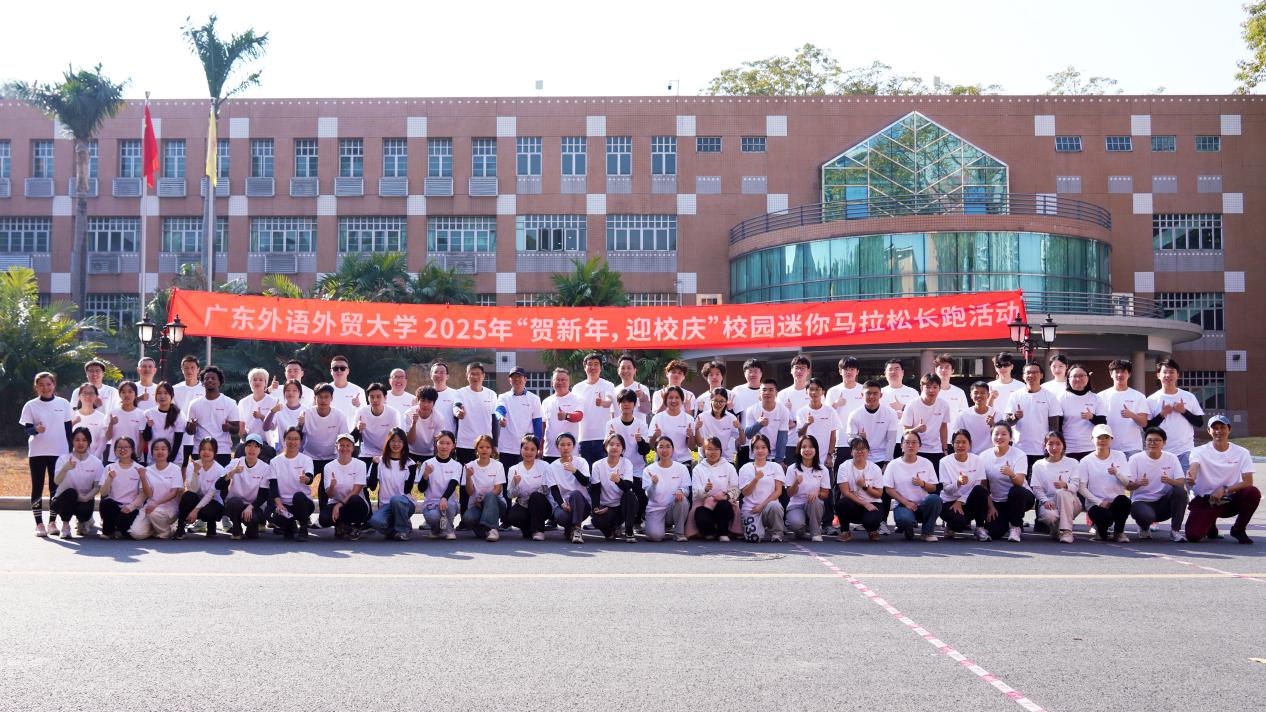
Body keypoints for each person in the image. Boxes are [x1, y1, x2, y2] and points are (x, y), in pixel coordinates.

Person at [1186, 415, 1260, 544]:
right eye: (1214, 428)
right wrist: (1191, 475)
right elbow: (1194, 466)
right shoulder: (1198, 451)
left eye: (1222, 427)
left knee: (1252, 492)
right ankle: (1211, 524)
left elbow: (1248, 481)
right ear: (1209, 431)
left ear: (1229, 429)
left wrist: (1224, 490)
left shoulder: (1242, 452)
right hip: (1207, 500)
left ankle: (1238, 529)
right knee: (1193, 536)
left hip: (1229, 499)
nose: (1218, 431)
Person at [20, 371, 72, 537]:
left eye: (48, 384)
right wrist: (36, 429)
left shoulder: (64, 403)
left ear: (54, 385)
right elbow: (27, 429)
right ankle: (39, 524)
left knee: (55, 487)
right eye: (41, 385)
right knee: (37, 486)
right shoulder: (30, 405)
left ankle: (52, 522)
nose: (45, 388)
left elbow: (68, 429)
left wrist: (71, 451)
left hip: (59, 451)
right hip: (38, 452)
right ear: (36, 387)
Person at [1126, 427, 1189, 542]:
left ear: (1164, 443)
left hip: (1163, 503)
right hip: (1141, 501)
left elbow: (1181, 483)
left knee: (1180, 492)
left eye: (1157, 440)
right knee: (1146, 516)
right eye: (1149, 440)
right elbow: (1128, 486)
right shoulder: (1135, 459)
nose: (1152, 443)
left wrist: (1169, 480)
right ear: (1145, 442)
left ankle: (1175, 531)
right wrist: (1138, 483)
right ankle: (1144, 527)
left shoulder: (1171, 458)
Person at [1145, 358, 1204, 474]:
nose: (1168, 375)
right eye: (1165, 372)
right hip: (1161, 451)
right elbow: (1146, 428)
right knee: (1162, 483)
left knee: (1187, 482)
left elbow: (1199, 422)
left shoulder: (1189, 397)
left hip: (1185, 451)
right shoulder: (1151, 400)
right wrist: (1162, 414)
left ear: (1178, 375)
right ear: (1158, 375)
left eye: (1172, 372)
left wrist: (1184, 411)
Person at [884, 431, 943, 542]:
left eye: (914, 442)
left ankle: (927, 533)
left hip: (922, 505)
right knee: (905, 520)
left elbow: (933, 488)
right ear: (901, 446)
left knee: (935, 499)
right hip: (903, 505)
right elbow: (888, 489)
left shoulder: (927, 463)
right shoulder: (893, 464)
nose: (910, 445)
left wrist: (922, 484)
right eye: (907, 442)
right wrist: (906, 503)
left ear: (919, 446)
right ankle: (908, 526)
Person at [1077, 424, 1131, 542]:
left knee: (1124, 501)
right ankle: (1100, 530)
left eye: (1106, 437)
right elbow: (1081, 487)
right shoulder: (1086, 461)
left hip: (1115, 502)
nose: (1102, 440)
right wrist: (1099, 502)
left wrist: (1117, 473)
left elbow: (1127, 483)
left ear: (1111, 439)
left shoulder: (1120, 456)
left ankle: (1119, 532)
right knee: (1104, 523)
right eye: (1099, 437)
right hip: (1096, 504)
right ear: (1092, 439)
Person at [978, 423, 1031, 542]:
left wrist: (1011, 474)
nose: (999, 437)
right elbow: (983, 487)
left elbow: (1020, 483)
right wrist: (991, 507)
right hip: (998, 501)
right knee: (994, 532)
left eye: (1004, 434)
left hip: (1021, 497)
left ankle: (1015, 526)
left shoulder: (1020, 455)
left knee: (1016, 491)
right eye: (996, 434)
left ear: (1010, 437)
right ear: (991, 436)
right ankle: (1007, 520)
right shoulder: (984, 456)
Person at [300, 383, 348, 514]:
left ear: (331, 398)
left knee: (324, 488)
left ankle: (324, 516)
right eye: (320, 397)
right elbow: (298, 435)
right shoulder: (306, 414)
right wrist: (300, 424)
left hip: (331, 457)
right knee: (302, 483)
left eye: (326, 397)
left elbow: (344, 438)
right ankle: (304, 514)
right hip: (310, 456)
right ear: (315, 398)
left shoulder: (339, 415)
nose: (323, 400)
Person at [1029, 431, 1084, 544]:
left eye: (1058, 444)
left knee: (1061, 492)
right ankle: (1055, 527)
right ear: (1045, 446)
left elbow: (1075, 487)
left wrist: (1066, 485)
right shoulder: (1038, 465)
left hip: (1071, 501)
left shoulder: (1073, 462)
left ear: (1063, 445)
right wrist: (1045, 500)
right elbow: (1036, 488)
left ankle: (1067, 531)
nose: (1054, 447)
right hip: (1049, 502)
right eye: (1050, 444)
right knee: (1050, 516)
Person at [1002, 362, 1058, 472]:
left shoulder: (1050, 396)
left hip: (1042, 450)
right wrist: (1015, 417)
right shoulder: (1015, 395)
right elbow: (1007, 423)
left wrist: (1051, 447)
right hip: (1020, 449)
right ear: (1023, 376)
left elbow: (1054, 426)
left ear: (1041, 375)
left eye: (1035, 372)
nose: (1031, 375)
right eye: (1028, 373)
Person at [365, 428, 418, 541]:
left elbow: (407, 490)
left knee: (396, 499)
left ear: (404, 443)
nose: (396, 444)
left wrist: (412, 471)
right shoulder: (380, 461)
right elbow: (372, 487)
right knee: (375, 521)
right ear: (388, 442)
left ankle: (403, 531)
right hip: (385, 506)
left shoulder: (410, 463)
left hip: (404, 504)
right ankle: (398, 528)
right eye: (393, 440)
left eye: (399, 441)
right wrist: (374, 465)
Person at [938, 429, 991, 541]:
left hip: (967, 501)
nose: (960, 445)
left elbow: (977, 485)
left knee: (981, 490)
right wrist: (958, 483)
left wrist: (960, 501)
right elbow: (947, 490)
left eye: (964, 442)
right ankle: (950, 525)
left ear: (969, 444)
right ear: (952, 444)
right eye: (957, 442)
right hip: (949, 502)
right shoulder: (944, 461)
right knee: (959, 524)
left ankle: (980, 528)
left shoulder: (977, 460)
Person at [50, 427, 103, 538]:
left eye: (84, 440)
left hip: (84, 499)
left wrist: (86, 498)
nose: (80, 443)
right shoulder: (63, 459)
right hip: (63, 499)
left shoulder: (96, 462)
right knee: (71, 493)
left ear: (89, 442)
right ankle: (65, 526)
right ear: (72, 441)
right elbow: (56, 481)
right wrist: (65, 468)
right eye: (77, 440)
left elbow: (97, 486)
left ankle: (83, 521)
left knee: (84, 512)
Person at [219, 434, 272, 540]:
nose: (252, 449)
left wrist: (251, 507)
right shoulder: (235, 462)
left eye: (256, 446)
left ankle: (251, 528)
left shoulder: (265, 468)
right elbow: (218, 484)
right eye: (249, 445)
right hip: (236, 504)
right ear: (244, 448)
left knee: (253, 533)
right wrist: (232, 472)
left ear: (260, 450)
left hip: (254, 506)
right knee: (233, 503)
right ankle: (237, 528)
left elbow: (263, 495)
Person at [268, 426, 317, 541]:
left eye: (296, 439)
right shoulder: (275, 461)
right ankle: (289, 526)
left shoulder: (306, 459)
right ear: (284, 440)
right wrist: (279, 505)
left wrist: (306, 479)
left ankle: (303, 528)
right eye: (289, 438)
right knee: (275, 517)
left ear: (300, 441)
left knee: (298, 496)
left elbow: (310, 478)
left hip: (303, 503)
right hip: (284, 504)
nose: (292, 442)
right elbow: (273, 486)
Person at [185, 366, 239, 467]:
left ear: (219, 382)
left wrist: (229, 427)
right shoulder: (194, 404)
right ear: (202, 382)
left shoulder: (230, 403)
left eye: (213, 378)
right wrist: (192, 426)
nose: (210, 380)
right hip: (199, 450)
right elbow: (189, 431)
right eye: (206, 378)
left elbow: (236, 429)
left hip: (222, 451)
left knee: (221, 478)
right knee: (198, 478)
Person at [130, 438, 183, 540]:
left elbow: (174, 493)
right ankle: (157, 529)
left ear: (168, 452)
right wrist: (142, 477)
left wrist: (156, 503)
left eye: (163, 449)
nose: (160, 452)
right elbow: (149, 494)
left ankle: (165, 532)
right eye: (156, 449)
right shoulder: (147, 470)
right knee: (136, 534)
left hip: (169, 509)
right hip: (150, 508)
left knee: (155, 513)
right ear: (152, 452)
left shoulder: (175, 469)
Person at [321, 433, 372, 540]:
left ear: (353, 448)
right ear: (337, 447)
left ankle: (350, 525)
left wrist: (339, 505)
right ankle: (345, 526)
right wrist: (332, 486)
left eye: (348, 445)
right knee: (323, 519)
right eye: (342, 445)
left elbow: (356, 491)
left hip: (355, 503)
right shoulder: (328, 466)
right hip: (335, 502)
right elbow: (330, 495)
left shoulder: (360, 464)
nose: (345, 448)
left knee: (355, 500)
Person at [688, 437, 739, 541]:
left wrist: (726, 496)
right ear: (704, 451)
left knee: (723, 506)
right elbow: (695, 493)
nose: (713, 452)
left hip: (724, 502)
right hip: (704, 503)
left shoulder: (729, 467)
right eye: (709, 449)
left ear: (721, 450)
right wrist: (705, 490)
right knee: (700, 514)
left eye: (716, 449)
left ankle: (723, 533)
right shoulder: (698, 469)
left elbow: (736, 489)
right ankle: (710, 532)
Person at [834, 437, 885, 542]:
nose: (860, 452)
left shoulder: (875, 468)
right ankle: (845, 531)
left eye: (863, 449)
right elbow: (845, 492)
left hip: (872, 503)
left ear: (868, 451)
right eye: (856, 449)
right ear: (851, 452)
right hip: (853, 503)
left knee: (871, 521)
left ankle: (872, 530)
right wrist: (865, 504)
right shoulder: (844, 466)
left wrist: (864, 486)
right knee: (842, 503)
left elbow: (879, 494)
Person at [589, 433, 638, 542]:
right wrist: (596, 508)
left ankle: (629, 530)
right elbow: (595, 489)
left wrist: (618, 481)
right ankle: (610, 531)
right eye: (611, 444)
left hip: (623, 506)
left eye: (618, 445)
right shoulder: (597, 465)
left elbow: (628, 486)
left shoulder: (627, 463)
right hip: (607, 506)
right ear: (605, 447)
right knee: (596, 519)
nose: (614, 447)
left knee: (630, 495)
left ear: (622, 449)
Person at [737, 434, 785, 543]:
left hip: (768, 506)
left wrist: (761, 506)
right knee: (754, 538)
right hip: (751, 509)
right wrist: (756, 479)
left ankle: (776, 533)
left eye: (763, 447)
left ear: (768, 450)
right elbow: (745, 493)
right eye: (756, 448)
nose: (760, 451)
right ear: (752, 451)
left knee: (775, 505)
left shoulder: (775, 467)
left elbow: (778, 492)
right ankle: (760, 529)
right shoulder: (745, 468)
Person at [176, 437, 226, 539]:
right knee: (187, 496)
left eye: (210, 449)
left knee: (209, 511)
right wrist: (195, 472)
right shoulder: (192, 466)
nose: (206, 452)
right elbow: (192, 489)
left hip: (212, 501)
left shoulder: (220, 469)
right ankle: (180, 527)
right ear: (199, 451)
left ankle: (211, 525)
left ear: (215, 452)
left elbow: (211, 494)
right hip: (196, 498)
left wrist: (195, 511)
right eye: (203, 449)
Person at [97, 437, 147, 539]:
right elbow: (103, 493)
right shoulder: (109, 468)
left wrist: (131, 507)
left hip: (131, 507)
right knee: (106, 503)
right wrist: (109, 479)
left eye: (126, 447)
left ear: (132, 449)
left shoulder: (140, 469)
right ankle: (109, 532)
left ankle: (119, 527)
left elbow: (143, 494)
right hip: (114, 506)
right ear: (115, 450)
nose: (122, 450)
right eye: (119, 447)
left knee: (123, 524)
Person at [642, 436, 691, 542]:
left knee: (682, 500)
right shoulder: (649, 470)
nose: (664, 450)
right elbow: (649, 495)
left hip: (673, 507)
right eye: (661, 447)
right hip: (656, 509)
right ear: (656, 450)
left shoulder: (681, 468)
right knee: (655, 536)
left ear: (673, 449)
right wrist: (653, 484)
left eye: (668, 446)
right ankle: (657, 525)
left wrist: (681, 491)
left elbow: (686, 490)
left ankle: (679, 533)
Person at [783, 435, 830, 542]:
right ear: (799, 450)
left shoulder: (823, 469)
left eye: (811, 447)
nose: (807, 450)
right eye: (804, 447)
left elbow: (825, 494)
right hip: (796, 505)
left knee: (815, 501)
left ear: (816, 450)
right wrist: (796, 483)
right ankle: (802, 530)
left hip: (814, 504)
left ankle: (816, 533)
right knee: (796, 524)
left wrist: (817, 494)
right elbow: (789, 493)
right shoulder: (792, 468)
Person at [495, 368, 544, 472]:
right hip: (507, 447)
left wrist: (538, 446)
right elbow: (499, 409)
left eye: (519, 377)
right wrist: (500, 417)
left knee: (525, 478)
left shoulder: (534, 399)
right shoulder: (503, 397)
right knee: (507, 478)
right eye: (513, 377)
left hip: (527, 448)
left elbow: (537, 423)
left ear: (525, 379)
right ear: (509, 381)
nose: (516, 379)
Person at [505, 434, 552, 541]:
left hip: (541, 505)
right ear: (521, 449)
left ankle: (538, 530)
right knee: (513, 516)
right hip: (523, 504)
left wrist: (530, 499)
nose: (528, 452)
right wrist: (515, 484)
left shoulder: (545, 466)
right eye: (525, 448)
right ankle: (528, 529)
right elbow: (510, 495)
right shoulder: (513, 469)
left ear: (537, 451)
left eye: (532, 449)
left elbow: (547, 490)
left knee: (536, 497)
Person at [573, 354, 617, 466]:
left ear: (601, 368)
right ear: (585, 367)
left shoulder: (608, 385)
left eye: (596, 364)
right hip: (583, 438)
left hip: (603, 437)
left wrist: (602, 402)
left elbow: (609, 402)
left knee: (604, 472)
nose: (593, 367)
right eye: (590, 364)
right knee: (586, 473)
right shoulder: (577, 388)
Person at [549, 432, 593, 544]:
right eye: (562, 445)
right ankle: (569, 528)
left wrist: (574, 470)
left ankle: (577, 529)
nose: (565, 448)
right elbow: (554, 490)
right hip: (564, 505)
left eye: (569, 444)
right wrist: (562, 504)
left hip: (581, 505)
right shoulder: (552, 467)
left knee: (575, 494)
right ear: (557, 447)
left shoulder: (581, 462)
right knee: (561, 517)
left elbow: (585, 482)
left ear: (573, 446)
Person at [1098, 359, 1149, 458]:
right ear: (1111, 374)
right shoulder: (1101, 396)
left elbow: (1144, 423)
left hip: (1132, 448)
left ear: (1129, 374)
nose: (1120, 375)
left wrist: (1132, 415)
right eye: (1117, 371)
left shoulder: (1139, 396)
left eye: (1123, 372)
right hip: (1109, 447)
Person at [900, 373, 950, 471]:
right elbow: (905, 431)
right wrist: (916, 430)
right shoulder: (912, 404)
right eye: (928, 387)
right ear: (921, 387)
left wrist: (945, 449)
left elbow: (943, 427)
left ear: (939, 388)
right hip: (916, 450)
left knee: (935, 479)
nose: (931, 390)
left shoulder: (944, 405)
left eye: (935, 387)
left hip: (936, 450)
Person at [1056, 364, 1107, 460]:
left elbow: (1103, 423)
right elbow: (1057, 426)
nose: (1078, 379)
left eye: (1082, 376)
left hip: (1091, 448)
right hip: (1069, 448)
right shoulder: (1061, 399)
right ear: (1068, 379)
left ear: (1088, 378)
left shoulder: (1096, 398)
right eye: (1074, 376)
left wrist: (1092, 417)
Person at [418, 431, 462, 540]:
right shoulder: (427, 464)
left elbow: (453, 484)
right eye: (441, 443)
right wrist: (425, 475)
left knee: (449, 505)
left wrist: (444, 498)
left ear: (453, 446)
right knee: (434, 516)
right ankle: (436, 530)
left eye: (448, 443)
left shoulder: (457, 465)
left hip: (448, 502)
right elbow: (421, 489)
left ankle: (449, 530)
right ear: (436, 444)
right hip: (431, 504)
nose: (444, 446)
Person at [462, 434, 505, 542]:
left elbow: (498, 489)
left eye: (487, 447)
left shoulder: (498, 465)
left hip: (496, 504)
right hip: (475, 505)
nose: (484, 450)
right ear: (476, 449)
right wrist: (468, 477)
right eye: (481, 447)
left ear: (492, 449)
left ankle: (492, 529)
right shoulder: (469, 466)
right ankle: (485, 529)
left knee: (490, 495)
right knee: (468, 518)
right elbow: (470, 492)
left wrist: (482, 501)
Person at [453, 362, 497, 464]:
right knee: (465, 472)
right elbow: (456, 406)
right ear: (467, 376)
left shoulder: (491, 394)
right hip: (465, 444)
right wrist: (458, 413)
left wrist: (495, 444)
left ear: (483, 376)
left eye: (478, 374)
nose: (475, 377)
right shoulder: (460, 392)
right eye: (472, 374)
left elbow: (494, 420)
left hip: (486, 444)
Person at [744, 378, 790, 474]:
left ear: (776, 393)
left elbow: (782, 437)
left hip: (775, 456)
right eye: (764, 390)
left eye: (771, 390)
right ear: (759, 393)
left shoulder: (783, 410)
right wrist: (758, 424)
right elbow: (748, 434)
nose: (767, 393)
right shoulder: (751, 409)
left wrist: (779, 460)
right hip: (756, 455)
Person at [826, 356, 865, 468]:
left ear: (857, 372)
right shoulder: (833, 391)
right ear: (840, 371)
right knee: (839, 474)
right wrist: (836, 404)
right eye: (846, 369)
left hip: (860, 441)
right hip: (840, 441)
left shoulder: (864, 390)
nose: (849, 372)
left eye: (852, 369)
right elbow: (825, 416)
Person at [796, 377, 841, 473]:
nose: (814, 392)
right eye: (811, 389)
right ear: (806, 392)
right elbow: (800, 435)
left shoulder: (830, 411)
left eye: (817, 389)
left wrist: (829, 455)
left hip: (825, 460)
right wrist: (807, 424)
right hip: (807, 458)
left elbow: (833, 436)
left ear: (823, 392)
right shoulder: (801, 412)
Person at [541, 367, 583, 463]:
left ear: (569, 382)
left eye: (563, 380)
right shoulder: (546, 401)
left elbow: (579, 416)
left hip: (570, 452)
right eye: (557, 380)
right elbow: (543, 426)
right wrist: (540, 447)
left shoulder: (576, 399)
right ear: (552, 383)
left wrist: (566, 416)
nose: (560, 382)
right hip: (550, 451)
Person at [354, 382, 402, 466]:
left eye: (378, 396)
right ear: (368, 398)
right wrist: (357, 429)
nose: (375, 400)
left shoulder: (393, 414)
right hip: (367, 454)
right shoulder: (361, 412)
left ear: (385, 398)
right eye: (372, 397)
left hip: (387, 453)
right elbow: (353, 439)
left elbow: (397, 438)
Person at [649, 386, 695, 471]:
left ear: (682, 400)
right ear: (665, 400)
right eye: (670, 398)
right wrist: (655, 435)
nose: (673, 401)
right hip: (662, 462)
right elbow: (651, 445)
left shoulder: (689, 419)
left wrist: (691, 436)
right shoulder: (657, 418)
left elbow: (692, 447)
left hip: (683, 462)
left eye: (677, 397)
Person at [778, 355, 813, 462]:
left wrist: (795, 423)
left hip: (811, 442)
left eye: (803, 368)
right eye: (796, 368)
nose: (799, 371)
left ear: (808, 371)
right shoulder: (783, 394)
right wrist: (789, 421)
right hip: (789, 442)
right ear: (791, 370)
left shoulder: (814, 392)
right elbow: (778, 418)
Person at [695, 387, 744, 465]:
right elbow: (699, 444)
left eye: (721, 401)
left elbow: (741, 442)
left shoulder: (732, 418)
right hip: (706, 459)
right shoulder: (701, 417)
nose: (718, 404)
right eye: (715, 401)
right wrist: (696, 429)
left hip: (726, 460)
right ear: (710, 400)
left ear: (726, 402)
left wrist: (740, 428)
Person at [731, 360, 765, 468]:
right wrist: (737, 437)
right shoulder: (737, 391)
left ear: (761, 373)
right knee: (744, 472)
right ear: (744, 373)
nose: (752, 374)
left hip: (764, 441)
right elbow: (734, 416)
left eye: (756, 371)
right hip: (743, 441)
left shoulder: (766, 390)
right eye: (749, 371)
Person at [142, 383, 187, 463]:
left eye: (166, 393)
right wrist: (148, 427)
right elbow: (146, 438)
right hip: (153, 459)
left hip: (174, 460)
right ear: (155, 396)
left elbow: (178, 441)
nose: (162, 396)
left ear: (171, 396)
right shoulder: (148, 413)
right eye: (159, 393)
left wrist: (169, 460)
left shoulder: (179, 414)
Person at [237, 367, 280, 450]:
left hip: (267, 445)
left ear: (265, 383)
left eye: (261, 380)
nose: (257, 382)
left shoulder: (273, 401)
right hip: (247, 445)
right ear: (250, 383)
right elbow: (241, 427)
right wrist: (248, 443)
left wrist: (261, 416)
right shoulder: (243, 402)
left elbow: (272, 427)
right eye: (254, 379)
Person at [105, 382, 148, 464]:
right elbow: (108, 437)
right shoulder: (112, 413)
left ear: (135, 394)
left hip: (135, 458)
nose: (127, 395)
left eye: (130, 391)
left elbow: (142, 439)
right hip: (115, 458)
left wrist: (137, 456)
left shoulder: (141, 414)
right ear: (119, 395)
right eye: (123, 392)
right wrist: (111, 424)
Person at [950, 382, 996, 456]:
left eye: (982, 393)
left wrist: (993, 425)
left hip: (990, 456)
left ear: (988, 395)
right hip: (969, 457)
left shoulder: (996, 414)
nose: (979, 395)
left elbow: (1001, 437)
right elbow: (957, 437)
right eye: (976, 393)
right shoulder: (962, 415)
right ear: (971, 395)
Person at [70, 383, 109, 461]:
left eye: (91, 393)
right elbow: (65, 438)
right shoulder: (71, 416)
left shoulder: (102, 417)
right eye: (84, 393)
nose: (88, 396)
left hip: (95, 461)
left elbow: (103, 442)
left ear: (96, 396)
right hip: (74, 461)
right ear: (79, 396)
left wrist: (93, 458)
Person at [270, 379, 306, 458]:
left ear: (300, 393)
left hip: (302, 455)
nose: (290, 393)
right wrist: (271, 412)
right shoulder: (279, 409)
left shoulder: (306, 410)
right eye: (287, 390)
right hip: (282, 453)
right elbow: (268, 427)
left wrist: (303, 424)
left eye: (294, 390)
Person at [612, 353, 653, 419]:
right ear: (618, 371)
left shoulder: (642, 389)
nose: (626, 371)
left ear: (634, 370)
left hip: (638, 425)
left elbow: (647, 411)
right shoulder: (614, 390)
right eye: (623, 368)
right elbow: (613, 413)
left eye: (629, 368)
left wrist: (642, 397)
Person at [405, 387, 442, 461]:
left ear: (434, 403)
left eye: (429, 402)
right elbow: (410, 441)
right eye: (422, 400)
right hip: (411, 452)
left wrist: (436, 461)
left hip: (430, 454)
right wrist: (414, 423)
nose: (425, 404)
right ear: (418, 400)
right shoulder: (409, 414)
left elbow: (436, 442)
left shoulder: (439, 418)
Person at [327, 355, 366, 423]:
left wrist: (358, 405)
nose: (339, 371)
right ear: (331, 371)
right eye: (335, 368)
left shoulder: (358, 391)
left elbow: (365, 415)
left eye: (342, 368)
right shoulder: (324, 390)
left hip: (351, 429)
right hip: (329, 429)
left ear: (348, 371)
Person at [880, 359, 919, 423]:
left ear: (903, 372)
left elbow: (918, 415)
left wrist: (902, 407)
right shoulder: (879, 393)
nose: (893, 372)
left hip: (907, 429)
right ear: (885, 373)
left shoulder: (913, 392)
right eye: (890, 369)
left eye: (897, 369)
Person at [427, 361, 460, 437]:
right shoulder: (425, 394)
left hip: (449, 439)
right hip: (429, 439)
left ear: (447, 376)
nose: (438, 375)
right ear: (431, 376)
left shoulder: (456, 394)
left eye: (442, 372)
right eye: (436, 372)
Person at [933, 354, 969, 421]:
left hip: (954, 428)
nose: (943, 370)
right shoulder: (930, 391)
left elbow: (964, 415)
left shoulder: (959, 392)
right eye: (941, 367)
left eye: (947, 367)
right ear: (935, 370)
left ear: (952, 370)